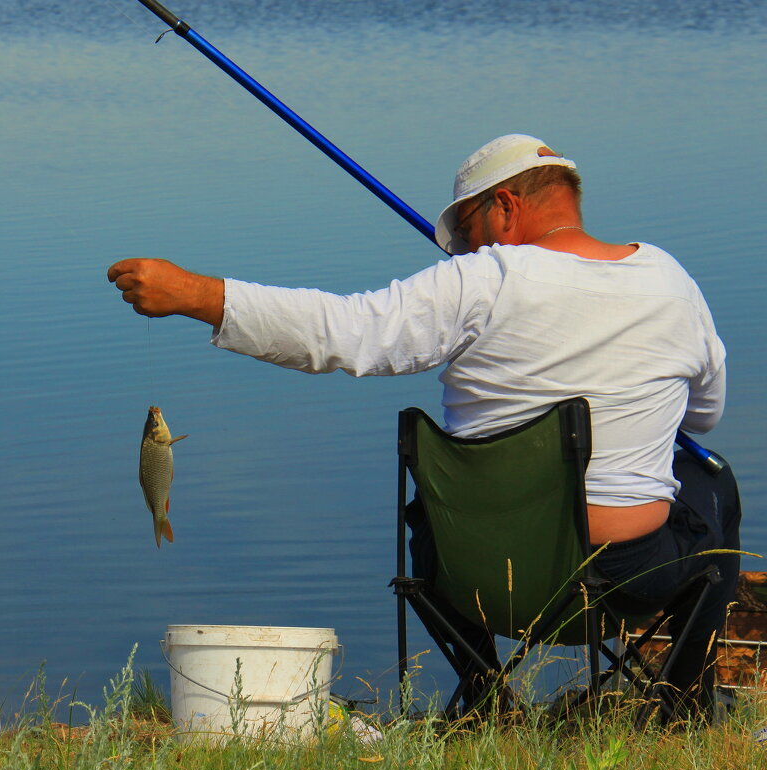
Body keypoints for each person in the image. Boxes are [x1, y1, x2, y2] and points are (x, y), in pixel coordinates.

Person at [107, 133, 741, 720]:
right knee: (714, 483)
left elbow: (344, 331)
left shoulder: (480, 281)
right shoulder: (670, 281)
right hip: (632, 581)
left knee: (434, 507)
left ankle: (489, 696)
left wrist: (194, 293)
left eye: (464, 232)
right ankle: (685, 704)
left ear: (504, 208)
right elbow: (704, 417)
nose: (463, 249)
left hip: (486, 580)